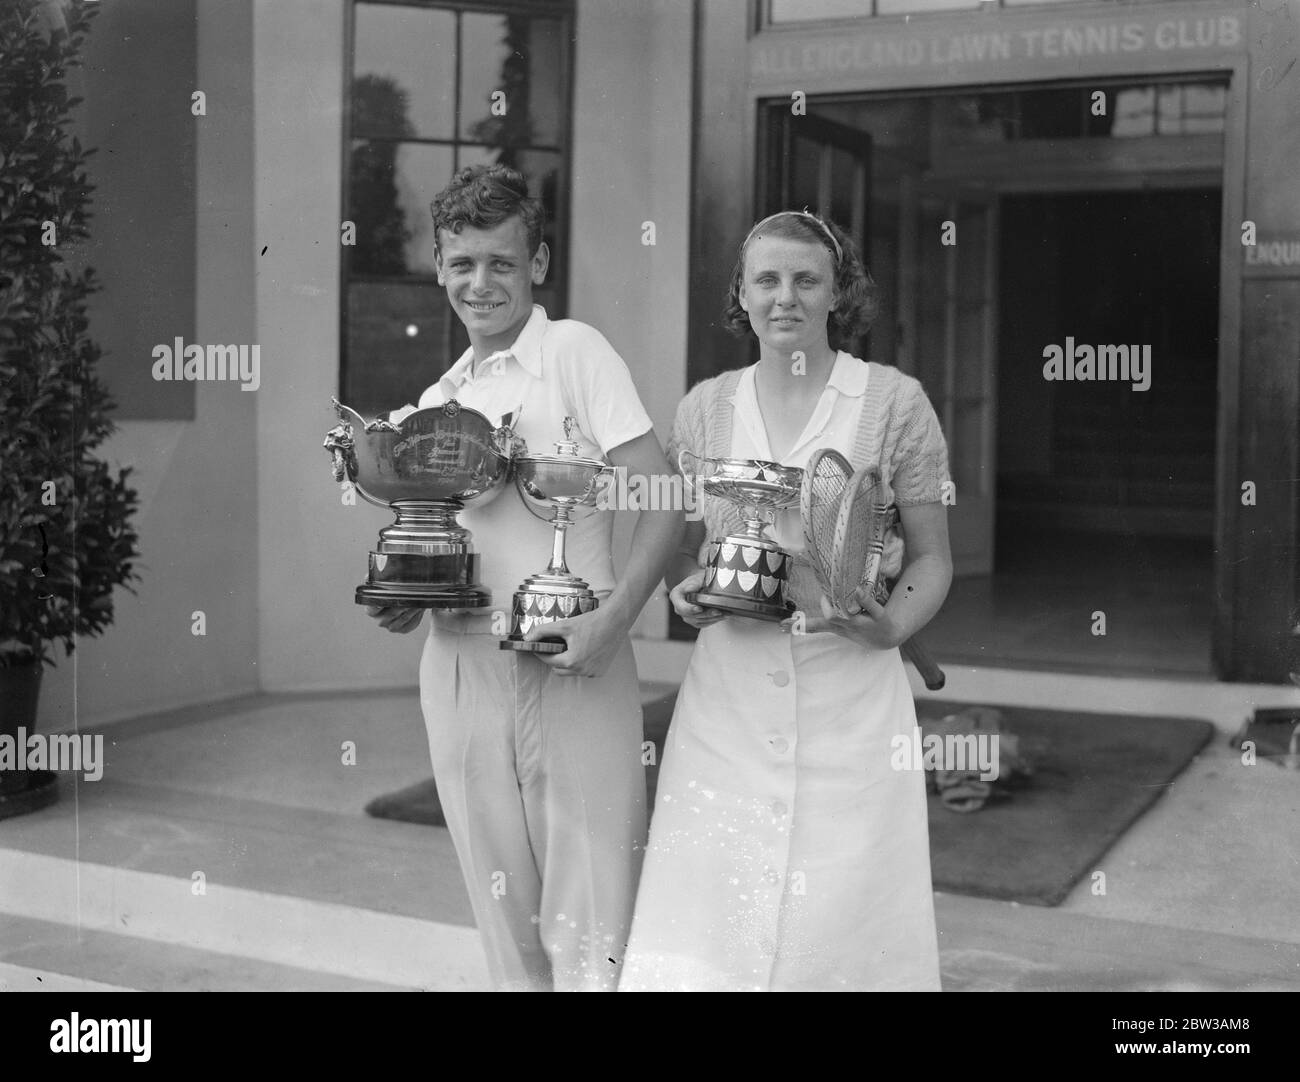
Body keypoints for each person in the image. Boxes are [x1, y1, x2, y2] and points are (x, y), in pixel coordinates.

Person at [367, 164, 683, 991]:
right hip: (462, 667)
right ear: (438, 268)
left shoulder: (575, 352)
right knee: (506, 929)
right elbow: (438, 535)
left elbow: (667, 500)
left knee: (596, 923)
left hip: (574, 663)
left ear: (537, 265)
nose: (481, 283)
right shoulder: (439, 401)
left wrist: (611, 622)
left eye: (502, 263)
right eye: (462, 264)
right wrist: (410, 591)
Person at [619, 211, 951, 991]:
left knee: (846, 918)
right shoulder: (706, 407)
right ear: (742, 292)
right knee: (711, 914)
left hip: (852, 693)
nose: (785, 297)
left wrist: (892, 624)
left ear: (839, 292)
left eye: (807, 279)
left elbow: (934, 559)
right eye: (766, 279)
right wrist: (686, 590)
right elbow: (676, 539)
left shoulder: (894, 403)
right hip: (727, 697)